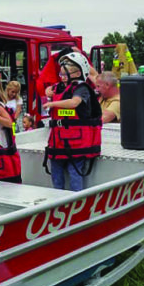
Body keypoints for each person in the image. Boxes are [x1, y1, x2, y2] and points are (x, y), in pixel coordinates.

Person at [42, 52, 102, 191]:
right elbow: (49, 90)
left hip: (77, 141)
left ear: (77, 73)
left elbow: (74, 102)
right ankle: (57, 197)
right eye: (60, 75)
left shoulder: (82, 89)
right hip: (58, 141)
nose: (62, 78)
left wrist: (52, 104)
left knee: (74, 171)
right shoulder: (60, 86)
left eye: (64, 75)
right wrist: (48, 91)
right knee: (56, 171)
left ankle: (76, 198)